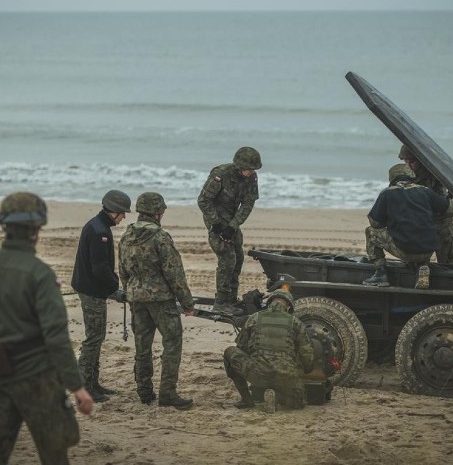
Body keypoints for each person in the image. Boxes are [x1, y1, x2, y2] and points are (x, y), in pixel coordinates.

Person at [0, 192, 94, 465]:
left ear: (4, 225)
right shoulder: (40, 274)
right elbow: (56, 338)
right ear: (37, 229)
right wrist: (77, 387)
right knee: (54, 452)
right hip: (38, 378)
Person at [118, 191, 196, 409]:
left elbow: (122, 271)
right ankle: (167, 394)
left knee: (142, 346)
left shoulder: (126, 236)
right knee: (172, 343)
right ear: (158, 213)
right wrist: (188, 303)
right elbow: (175, 274)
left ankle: (144, 392)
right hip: (161, 300)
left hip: (136, 299)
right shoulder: (161, 238)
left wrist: (131, 293)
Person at [70, 189, 131, 403]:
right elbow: (100, 269)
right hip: (91, 290)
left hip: (92, 288)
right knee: (93, 339)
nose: (124, 217)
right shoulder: (99, 232)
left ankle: (93, 383)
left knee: (97, 338)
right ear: (112, 210)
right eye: (122, 213)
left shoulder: (100, 226)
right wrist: (116, 288)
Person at [362, 164, 453, 289]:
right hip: (427, 252)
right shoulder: (425, 191)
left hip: (404, 251)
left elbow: (374, 223)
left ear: (392, 178)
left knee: (370, 232)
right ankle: (421, 266)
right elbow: (450, 210)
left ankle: (380, 273)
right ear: (411, 176)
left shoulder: (387, 194)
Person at [223, 290, 315, 413]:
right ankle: (278, 396)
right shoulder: (296, 323)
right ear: (288, 307)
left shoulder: (255, 318)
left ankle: (246, 400)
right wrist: (301, 370)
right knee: (298, 404)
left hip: (258, 375)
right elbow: (307, 358)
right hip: (286, 377)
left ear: (269, 303)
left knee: (230, 352)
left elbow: (241, 347)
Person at [197, 146, 262, 316]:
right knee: (227, 258)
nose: (250, 172)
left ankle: (231, 299)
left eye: (253, 169)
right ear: (239, 166)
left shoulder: (251, 178)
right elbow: (204, 200)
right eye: (248, 169)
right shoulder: (221, 174)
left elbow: (248, 204)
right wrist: (216, 224)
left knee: (238, 257)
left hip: (232, 221)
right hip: (215, 218)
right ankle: (221, 302)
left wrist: (233, 225)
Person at [399, 144, 453, 264]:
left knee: (445, 255)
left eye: (411, 162)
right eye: (405, 162)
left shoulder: (435, 172)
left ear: (420, 160)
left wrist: (451, 203)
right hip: (419, 220)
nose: (408, 166)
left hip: (440, 219)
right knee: (415, 260)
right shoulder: (405, 174)